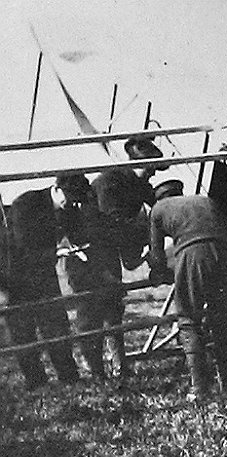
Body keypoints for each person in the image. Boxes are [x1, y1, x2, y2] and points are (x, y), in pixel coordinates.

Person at [67, 137, 165, 379]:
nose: (152, 176)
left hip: (109, 254)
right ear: (140, 165)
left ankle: (119, 367)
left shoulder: (139, 184)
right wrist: (147, 233)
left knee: (113, 311)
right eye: (151, 169)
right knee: (92, 315)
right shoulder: (111, 182)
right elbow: (114, 224)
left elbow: (158, 206)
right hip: (89, 256)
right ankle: (96, 371)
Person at [146, 193, 227, 400]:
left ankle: (199, 389)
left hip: (194, 252)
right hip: (225, 251)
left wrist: (162, 272)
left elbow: (157, 256)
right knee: (221, 318)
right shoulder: (204, 199)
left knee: (188, 319)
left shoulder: (158, 209)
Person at [6, 174, 86, 389]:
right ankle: (36, 382)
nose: (72, 203)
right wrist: (56, 251)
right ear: (56, 188)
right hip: (17, 276)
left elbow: (78, 231)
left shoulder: (67, 208)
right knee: (24, 332)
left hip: (45, 275)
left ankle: (69, 377)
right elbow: (22, 246)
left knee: (57, 327)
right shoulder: (26, 204)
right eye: (69, 197)